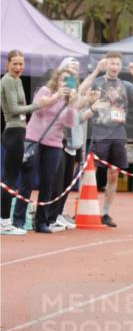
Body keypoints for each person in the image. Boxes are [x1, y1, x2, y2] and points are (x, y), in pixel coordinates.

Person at [12, 66, 79, 233]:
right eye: (63, 79)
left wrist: (71, 104)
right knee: (27, 182)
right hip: (34, 139)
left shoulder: (68, 101)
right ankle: (18, 220)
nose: (65, 83)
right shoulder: (44, 91)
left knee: (47, 183)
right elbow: (39, 108)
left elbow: (70, 123)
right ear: (56, 79)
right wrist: (57, 96)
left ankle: (41, 221)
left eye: (69, 81)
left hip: (54, 144)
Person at [88, 53, 133, 228]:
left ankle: (105, 213)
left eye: (117, 64)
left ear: (120, 66)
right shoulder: (98, 81)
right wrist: (95, 71)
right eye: (111, 63)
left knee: (114, 175)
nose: (114, 66)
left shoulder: (125, 85)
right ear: (106, 64)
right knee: (90, 171)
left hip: (118, 132)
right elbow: (82, 90)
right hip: (100, 131)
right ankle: (85, 207)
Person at [48, 57, 101, 230]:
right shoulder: (62, 89)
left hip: (74, 141)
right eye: (71, 66)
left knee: (66, 182)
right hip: (61, 140)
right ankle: (51, 216)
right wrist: (96, 71)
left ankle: (59, 213)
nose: (75, 69)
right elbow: (72, 108)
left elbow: (77, 116)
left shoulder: (74, 89)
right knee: (57, 182)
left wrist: (92, 107)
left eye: (77, 67)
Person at [1, 50, 41, 235]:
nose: (18, 67)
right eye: (15, 64)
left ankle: (6, 220)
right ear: (7, 64)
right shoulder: (8, 80)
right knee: (9, 179)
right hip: (13, 131)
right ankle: (4, 221)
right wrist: (37, 105)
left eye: (21, 64)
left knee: (12, 178)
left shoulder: (17, 81)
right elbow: (15, 109)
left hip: (19, 130)